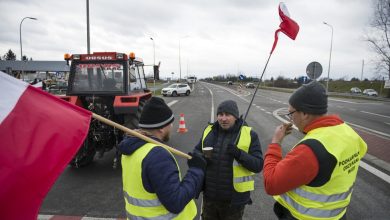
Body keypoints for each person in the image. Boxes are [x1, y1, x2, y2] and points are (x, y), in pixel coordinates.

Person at [263, 81, 367, 220]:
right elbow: (361, 150)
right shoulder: (349, 133)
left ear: (305, 113)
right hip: (338, 215)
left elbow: (271, 184)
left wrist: (276, 142)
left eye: (291, 113)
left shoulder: (310, 150)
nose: (291, 118)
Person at [118, 97, 207, 219]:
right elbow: (176, 202)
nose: (171, 126)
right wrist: (196, 170)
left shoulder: (130, 148)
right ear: (161, 128)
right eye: (170, 123)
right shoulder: (157, 155)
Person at [193, 100, 263, 220]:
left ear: (235, 116)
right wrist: (199, 158)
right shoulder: (209, 130)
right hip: (210, 198)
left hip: (234, 202)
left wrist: (239, 154)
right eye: (220, 114)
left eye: (227, 115)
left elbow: (258, 165)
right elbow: (196, 151)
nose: (223, 118)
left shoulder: (250, 134)